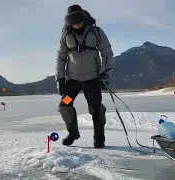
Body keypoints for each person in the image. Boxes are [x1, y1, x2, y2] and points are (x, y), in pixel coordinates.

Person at [55, 4, 114, 148]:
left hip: (92, 80)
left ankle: (99, 138)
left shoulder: (96, 32)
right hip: (73, 81)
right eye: (72, 23)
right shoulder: (66, 35)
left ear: (84, 18)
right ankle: (73, 133)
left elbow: (107, 53)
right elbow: (60, 57)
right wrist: (60, 79)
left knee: (95, 108)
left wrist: (105, 74)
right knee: (65, 104)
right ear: (69, 23)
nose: (76, 25)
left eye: (78, 21)